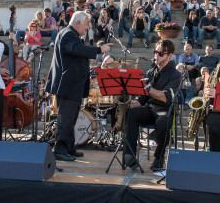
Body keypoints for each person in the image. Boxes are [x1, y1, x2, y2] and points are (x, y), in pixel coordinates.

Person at [45, 11, 112, 161]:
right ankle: (60, 149)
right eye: (87, 24)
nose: (88, 27)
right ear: (78, 23)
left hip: (73, 85)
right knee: (66, 119)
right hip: (68, 85)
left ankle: (69, 147)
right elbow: (73, 49)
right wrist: (98, 50)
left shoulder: (72, 35)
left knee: (72, 119)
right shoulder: (68, 34)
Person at [124, 39, 181, 171]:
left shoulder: (175, 74)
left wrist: (147, 87)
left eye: (161, 53)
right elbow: (142, 99)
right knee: (132, 113)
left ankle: (159, 158)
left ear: (169, 56)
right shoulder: (150, 72)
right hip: (150, 109)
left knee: (163, 122)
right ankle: (130, 155)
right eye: (156, 52)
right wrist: (128, 103)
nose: (156, 55)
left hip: (165, 110)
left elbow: (164, 97)